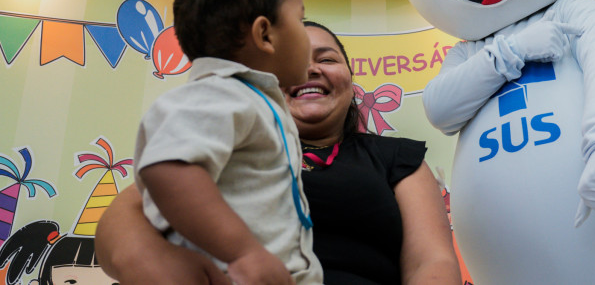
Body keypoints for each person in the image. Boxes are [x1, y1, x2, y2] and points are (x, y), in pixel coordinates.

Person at [96, 21, 462, 285]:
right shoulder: (221, 146)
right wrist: (158, 265)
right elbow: (128, 218)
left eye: (327, 59)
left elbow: (432, 263)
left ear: (351, 83)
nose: (310, 69)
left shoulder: (397, 159)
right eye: (291, 61)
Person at [132, 0, 321, 285]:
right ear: (265, 34)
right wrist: (243, 252)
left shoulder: (252, 100)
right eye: (301, 20)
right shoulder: (222, 94)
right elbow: (168, 167)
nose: (307, 36)